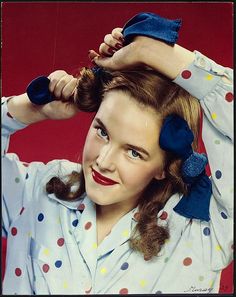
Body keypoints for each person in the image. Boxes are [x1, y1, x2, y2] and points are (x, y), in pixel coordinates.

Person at [1, 12, 233, 295]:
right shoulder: (35, 189)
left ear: (163, 166)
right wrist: (27, 109)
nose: (104, 161)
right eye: (102, 132)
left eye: (134, 152)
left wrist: (154, 52)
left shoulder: (201, 231)